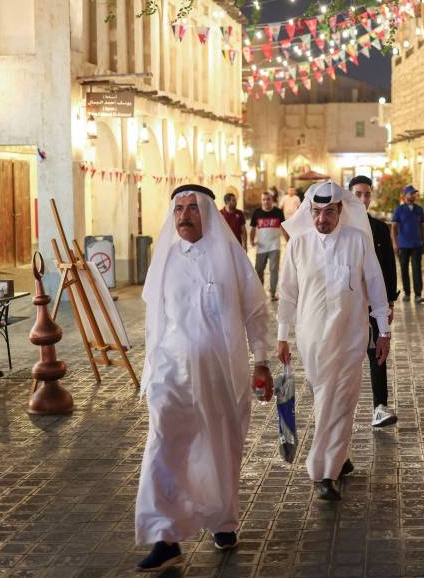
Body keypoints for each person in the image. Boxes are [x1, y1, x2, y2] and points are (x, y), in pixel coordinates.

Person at [135, 184, 273, 572]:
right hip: (171, 371)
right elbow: (153, 322)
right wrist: (151, 370)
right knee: (163, 444)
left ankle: (223, 521)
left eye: (192, 208)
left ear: (207, 213)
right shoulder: (164, 259)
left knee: (220, 448)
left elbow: (255, 311)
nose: (183, 214)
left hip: (220, 374)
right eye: (178, 208)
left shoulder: (229, 256)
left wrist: (261, 360)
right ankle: (165, 537)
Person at [277, 180, 391, 501]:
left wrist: (383, 331)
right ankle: (338, 458)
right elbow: (287, 293)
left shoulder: (358, 241)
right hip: (311, 338)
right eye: (316, 212)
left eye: (329, 212)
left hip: (351, 335)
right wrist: (282, 336)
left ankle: (323, 471)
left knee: (342, 398)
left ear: (341, 210)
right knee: (328, 398)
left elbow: (375, 285)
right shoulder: (299, 245)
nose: (322, 219)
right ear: (308, 211)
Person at [349, 175, 399, 428]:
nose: (363, 199)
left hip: (374, 303)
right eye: (358, 194)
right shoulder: (340, 228)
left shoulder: (379, 228)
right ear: (349, 196)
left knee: (377, 352)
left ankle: (380, 406)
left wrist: (390, 303)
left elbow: (389, 267)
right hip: (347, 305)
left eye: (367, 194)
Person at [391, 185, 424, 303]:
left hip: (417, 244)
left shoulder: (419, 209)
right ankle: (407, 293)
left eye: (414, 193)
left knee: (417, 269)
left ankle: (418, 295)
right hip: (403, 244)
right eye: (411, 193)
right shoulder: (399, 209)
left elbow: (422, 226)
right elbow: (394, 228)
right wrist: (395, 244)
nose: (413, 195)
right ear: (405, 195)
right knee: (404, 269)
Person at [249, 191, 285, 301]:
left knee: (274, 269)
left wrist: (290, 241)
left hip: (275, 246)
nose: (266, 201)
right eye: (264, 199)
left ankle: (273, 293)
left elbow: (284, 227)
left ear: (272, 200)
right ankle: (260, 292)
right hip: (262, 246)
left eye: (268, 199)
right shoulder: (257, 212)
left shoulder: (278, 212)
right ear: (261, 201)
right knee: (259, 269)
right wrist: (251, 241)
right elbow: (253, 228)